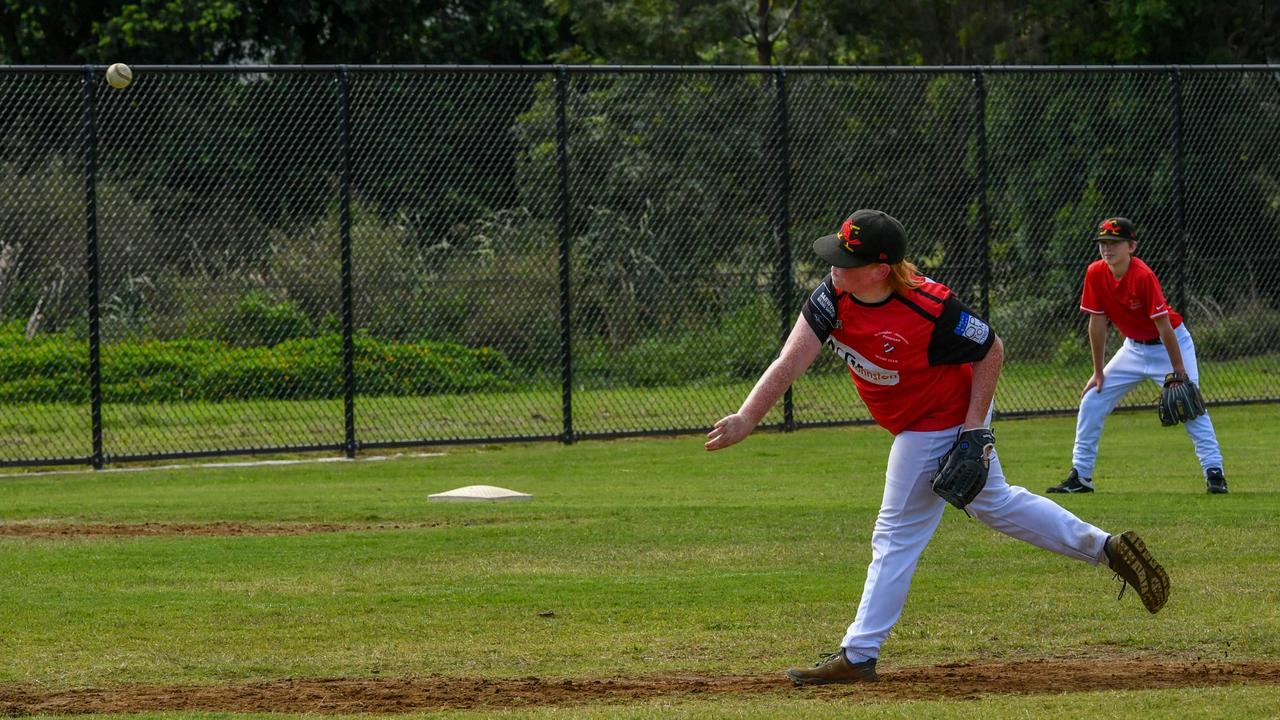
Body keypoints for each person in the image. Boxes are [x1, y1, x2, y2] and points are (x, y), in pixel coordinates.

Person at [705, 209, 1169, 685]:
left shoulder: (930, 309)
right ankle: (1106, 548)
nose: (834, 266)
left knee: (895, 533)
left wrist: (973, 430)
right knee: (997, 502)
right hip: (924, 418)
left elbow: (991, 348)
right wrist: (748, 416)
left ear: (880, 270)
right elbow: (790, 360)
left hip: (940, 419)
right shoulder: (832, 297)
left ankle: (860, 652)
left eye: (847, 259)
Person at [1047, 217, 1227, 495]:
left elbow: (1163, 324)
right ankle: (1081, 477)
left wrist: (1178, 370)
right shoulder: (1095, 273)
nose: (1107, 249)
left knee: (1189, 403)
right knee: (1092, 400)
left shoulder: (1143, 275)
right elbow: (1097, 323)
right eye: (1103, 243)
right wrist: (1098, 372)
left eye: (1114, 243)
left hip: (1170, 345)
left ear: (1131, 246)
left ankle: (1214, 473)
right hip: (1132, 349)